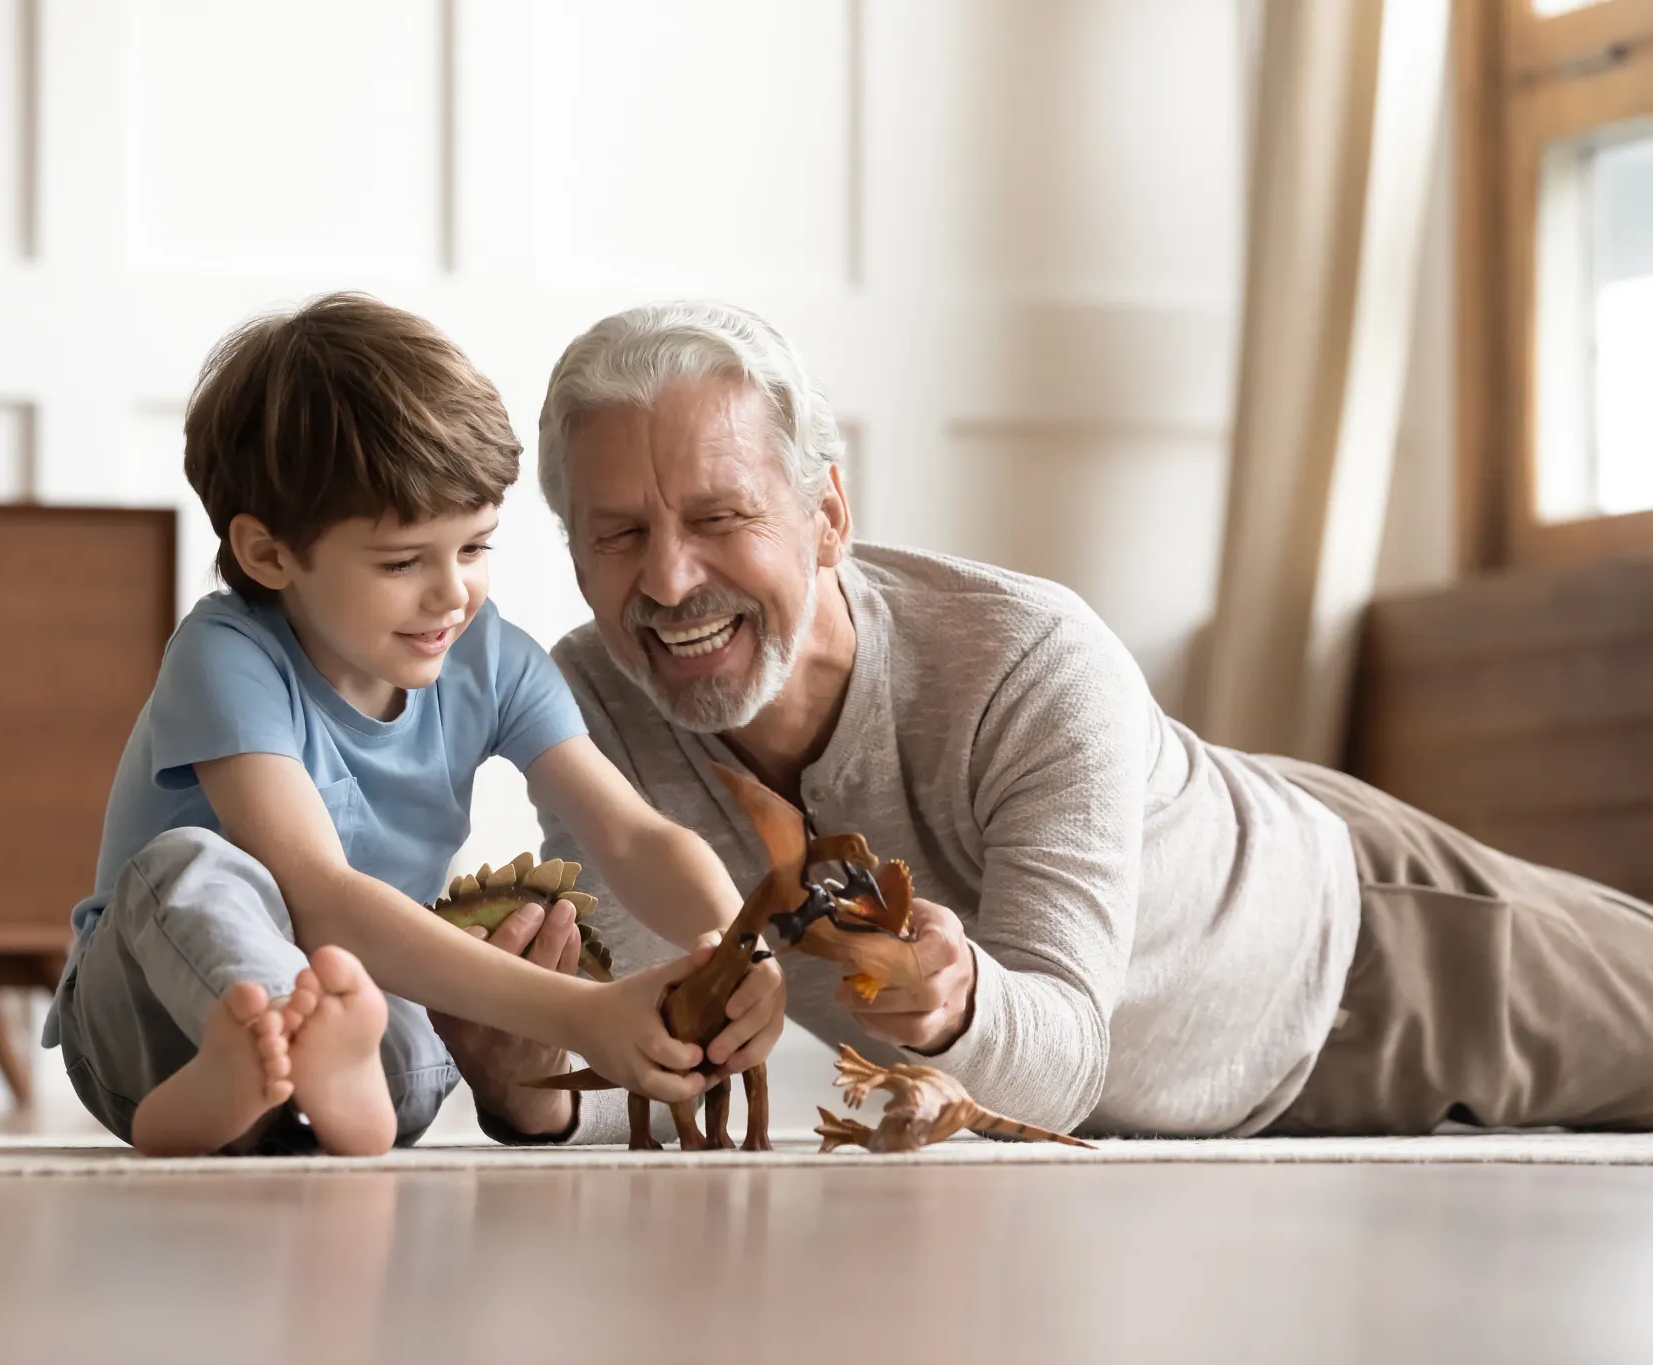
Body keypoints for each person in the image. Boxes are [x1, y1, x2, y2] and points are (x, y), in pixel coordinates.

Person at [438, 298, 1653, 1143]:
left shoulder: (1024, 656)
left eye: (718, 517)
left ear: (825, 515)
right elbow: (677, 1046)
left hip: (1363, 953)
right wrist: (531, 1086)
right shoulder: (587, 702)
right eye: (618, 533)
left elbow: (1064, 1052)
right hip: (1173, 1085)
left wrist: (959, 1003)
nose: (665, 580)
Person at [40, 294, 783, 1157]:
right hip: (149, 1026)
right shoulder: (226, 655)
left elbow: (633, 835)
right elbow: (320, 894)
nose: (452, 594)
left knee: (403, 993)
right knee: (188, 866)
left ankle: (265, 1101)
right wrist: (584, 1015)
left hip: (367, 1048)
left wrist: (739, 951)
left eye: (474, 548)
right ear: (269, 554)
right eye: (403, 562)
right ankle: (234, 1073)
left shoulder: (489, 656)